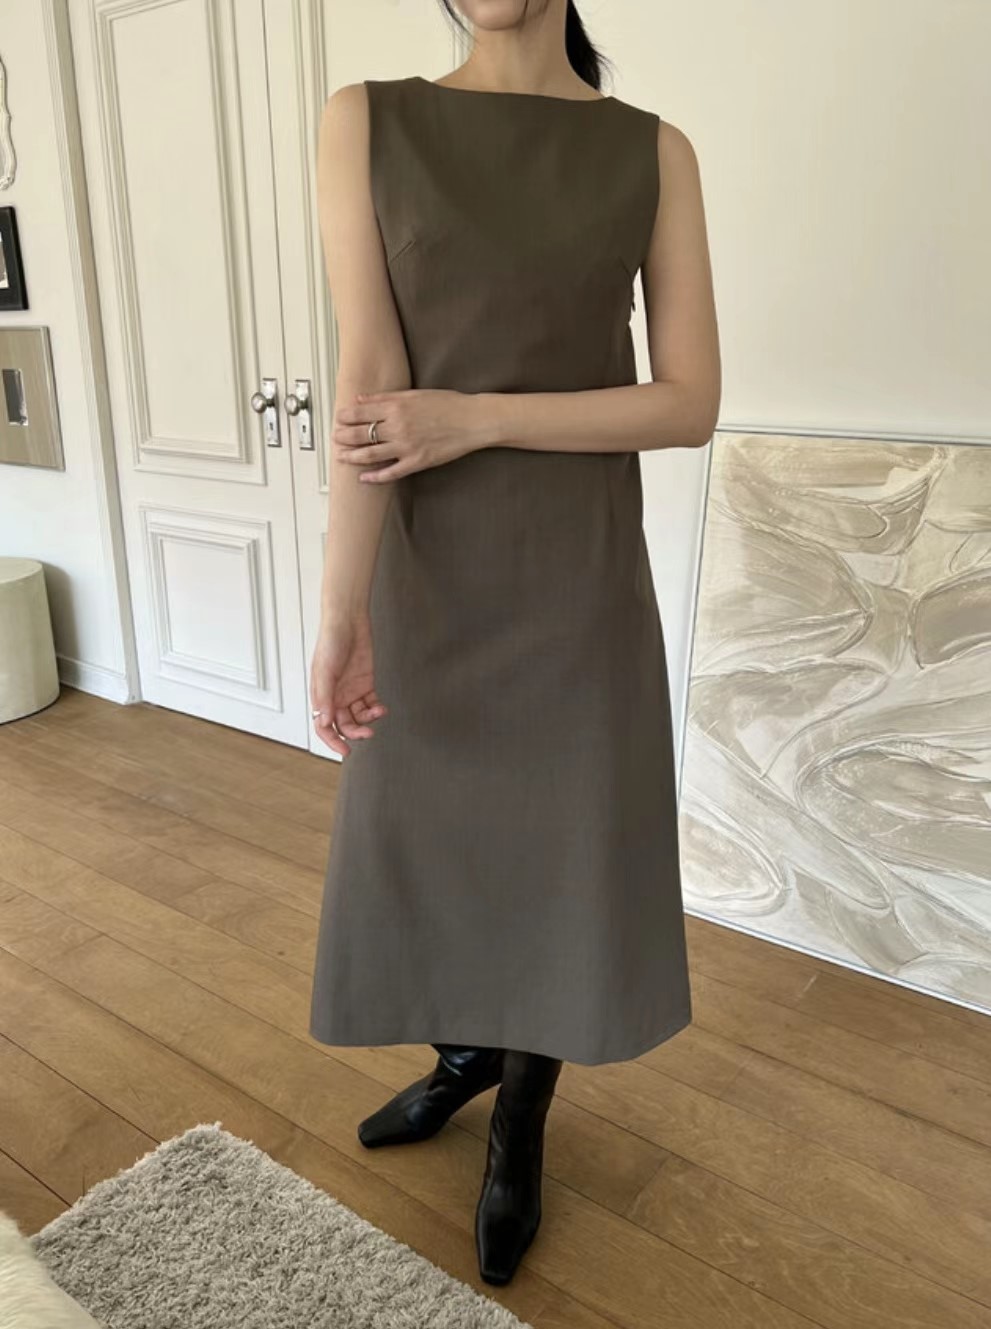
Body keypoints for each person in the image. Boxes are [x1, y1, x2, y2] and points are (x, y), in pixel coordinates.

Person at [307, 0, 721, 1288]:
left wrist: (477, 416)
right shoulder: (366, 122)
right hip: (428, 573)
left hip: (575, 582)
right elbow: (369, 384)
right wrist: (341, 610)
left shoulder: (652, 152)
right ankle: (461, 1056)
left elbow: (689, 403)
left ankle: (520, 1123)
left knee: (557, 852)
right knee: (430, 837)